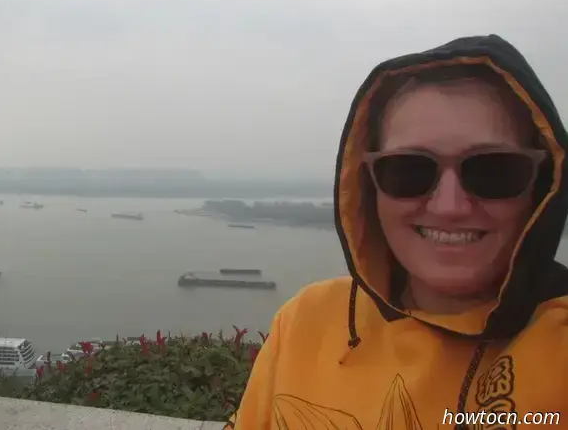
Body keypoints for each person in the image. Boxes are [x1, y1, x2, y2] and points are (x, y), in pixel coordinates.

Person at [225, 35, 568, 429]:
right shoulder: (306, 323)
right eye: (409, 171)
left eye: (494, 171)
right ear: (370, 185)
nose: (449, 206)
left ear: (543, 187)